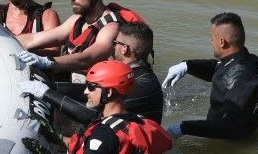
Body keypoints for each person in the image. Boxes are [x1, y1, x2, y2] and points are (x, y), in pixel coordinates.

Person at [23, 60, 172, 154]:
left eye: (91, 87)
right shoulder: (133, 120)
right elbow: (98, 152)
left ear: (109, 92)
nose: (86, 92)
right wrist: (57, 137)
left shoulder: (104, 134)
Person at [14, 0, 146, 79]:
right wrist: (2, 38)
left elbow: (87, 59)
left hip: (99, 91)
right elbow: (33, 39)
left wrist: (47, 62)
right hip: (78, 83)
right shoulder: (76, 20)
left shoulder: (111, 27)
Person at [20, 20, 164, 124]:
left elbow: (93, 116)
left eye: (115, 44)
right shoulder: (131, 75)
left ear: (124, 49)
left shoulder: (143, 85)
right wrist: (50, 85)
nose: (112, 47)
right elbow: (90, 91)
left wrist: (46, 93)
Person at [161, 12, 258, 140]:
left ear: (222, 42)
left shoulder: (237, 79)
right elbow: (221, 68)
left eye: (212, 38)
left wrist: (184, 128)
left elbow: (229, 126)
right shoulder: (251, 60)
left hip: (228, 145)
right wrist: (188, 66)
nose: (211, 42)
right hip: (248, 130)